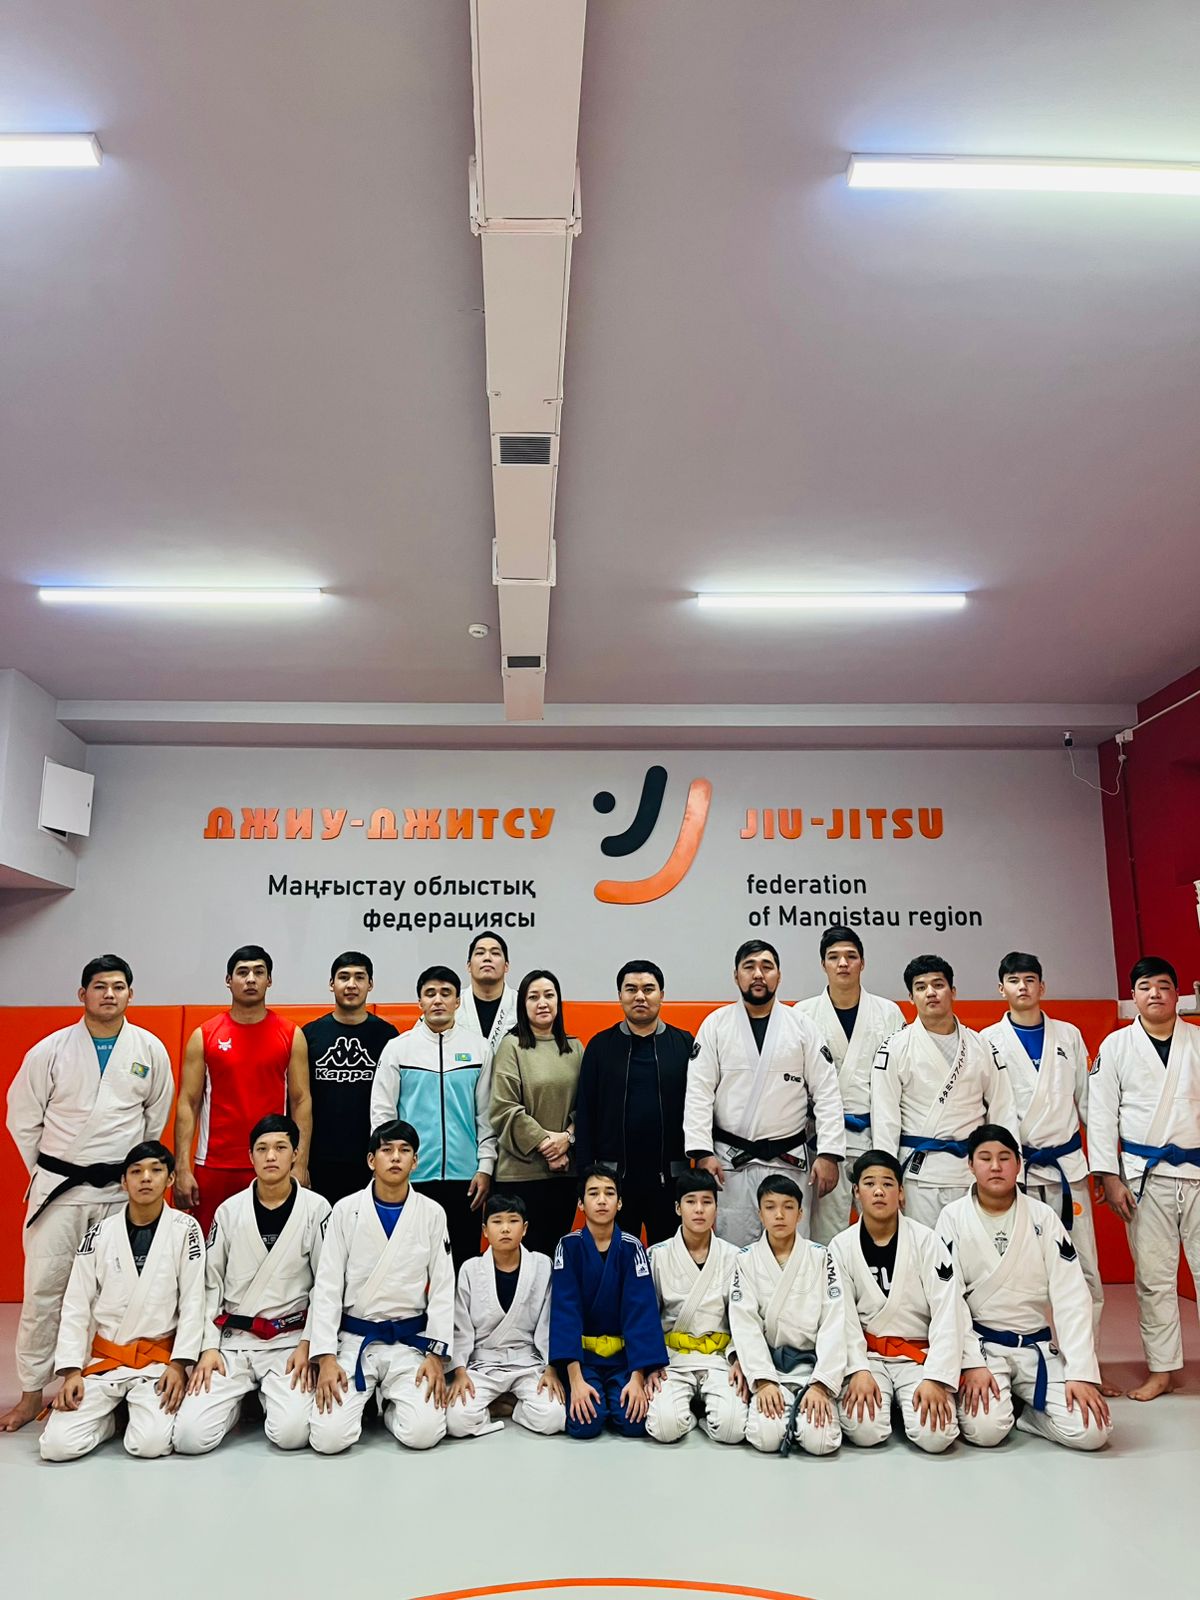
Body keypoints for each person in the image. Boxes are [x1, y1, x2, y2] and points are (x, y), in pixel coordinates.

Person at [3, 955, 174, 1433]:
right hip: (61, 1190)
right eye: (100, 986)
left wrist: (134, 1177)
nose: (109, 994)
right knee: (44, 1291)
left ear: (131, 994)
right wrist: (52, 1169)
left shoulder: (149, 1049)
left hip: (120, 1192)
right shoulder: (50, 1051)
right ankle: (31, 1392)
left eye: (118, 986)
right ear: (83, 994)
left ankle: (100, 1383)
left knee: (115, 1293)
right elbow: (22, 1117)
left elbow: (154, 1119)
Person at [944, 1124, 1111, 1451]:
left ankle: (1028, 1417)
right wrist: (971, 1362)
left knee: (1093, 1431)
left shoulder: (1043, 1217)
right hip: (984, 1347)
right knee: (985, 1431)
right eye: (985, 1158)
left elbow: (1071, 1295)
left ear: (1019, 1165)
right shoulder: (953, 1217)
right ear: (970, 1165)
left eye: (1005, 1158)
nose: (995, 1166)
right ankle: (1008, 1403)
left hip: (1036, 1346)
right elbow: (949, 1298)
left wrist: (1080, 1372)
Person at [38, 1141, 206, 1461]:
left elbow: (194, 1301)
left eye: (156, 1170)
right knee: (56, 1446)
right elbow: (76, 1304)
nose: (146, 1178)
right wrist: (72, 1371)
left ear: (170, 1178)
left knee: (149, 1445)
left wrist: (179, 1364)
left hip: (157, 1363)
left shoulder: (186, 1229)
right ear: (123, 1182)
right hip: (106, 1362)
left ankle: (124, 1415)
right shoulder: (99, 1233)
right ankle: (110, 1421)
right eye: (136, 1172)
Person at [173, 1115, 331, 1454]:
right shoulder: (229, 1211)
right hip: (234, 1342)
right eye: (262, 1149)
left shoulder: (316, 1208)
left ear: (295, 1154)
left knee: (291, 1435)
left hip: (289, 1342)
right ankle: (235, 1406)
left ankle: (262, 1399)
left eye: (280, 1148)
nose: (271, 1156)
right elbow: (210, 1284)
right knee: (188, 1437)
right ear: (250, 1156)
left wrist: (309, 1344)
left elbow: (325, 1286)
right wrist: (208, 1347)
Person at [981, 952, 1106, 1352]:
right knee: (1017, 1268)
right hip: (1016, 1172)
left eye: (1030, 979)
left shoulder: (1068, 1035)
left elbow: (1090, 1104)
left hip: (1067, 1168)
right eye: (1014, 980)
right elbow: (984, 1111)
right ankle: (1023, 1354)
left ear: (1042, 987)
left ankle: (1082, 1358)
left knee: (1082, 1267)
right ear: (1001, 989)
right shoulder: (987, 1041)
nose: (1023, 987)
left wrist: (1104, 1167)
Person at [683, 939, 845, 1247]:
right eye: (749, 967)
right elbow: (698, 1093)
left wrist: (828, 1153)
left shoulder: (802, 1026)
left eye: (767, 967)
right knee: (735, 1250)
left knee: (792, 1251)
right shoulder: (715, 1025)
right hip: (731, 1163)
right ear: (736, 976)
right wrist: (702, 1151)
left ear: (779, 976)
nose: (758, 974)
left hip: (789, 1160)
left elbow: (827, 1092)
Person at [1088, 955, 1200, 1402]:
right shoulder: (1116, 1046)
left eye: (1164, 986)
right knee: (1154, 1280)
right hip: (1143, 1176)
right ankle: (1163, 1369)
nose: (1155, 993)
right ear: (1133, 996)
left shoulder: (1198, 1040)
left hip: (1198, 1172)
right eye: (1145, 987)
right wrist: (1109, 1175)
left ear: (1178, 995)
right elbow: (1101, 1115)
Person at [307, 1119, 454, 1454]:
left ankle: (389, 1408)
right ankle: (362, 1405)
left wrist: (436, 1354)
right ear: (371, 1160)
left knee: (424, 1433)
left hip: (409, 1342)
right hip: (354, 1340)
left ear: (415, 1161)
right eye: (387, 1150)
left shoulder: (432, 1213)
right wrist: (326, 1357)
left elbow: (443, 1288)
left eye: (405, 1151)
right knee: (328, 1439)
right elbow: (327, 1286)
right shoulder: (345, 1210)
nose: (396, 1157)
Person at [830, 1151, 965, 1453]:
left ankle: (905, 1402)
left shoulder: (926, 1241)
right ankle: (892, 1404)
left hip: (918, 1358)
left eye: (888, 1184)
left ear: (901, 1193)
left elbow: (948, 1310)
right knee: (865, 1431)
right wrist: (858, 1369)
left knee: (936, 1437)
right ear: (856, 1192)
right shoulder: (841, 1246)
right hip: (869, 1357)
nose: (879, 1191)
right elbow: (842, 1316)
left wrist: (936, 1377)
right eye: (869, 1183)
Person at [174, 945, 312, 1237]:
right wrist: (182, 1168)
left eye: (259, 972)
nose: (251, 979)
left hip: (273, 1162)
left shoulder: (291, 1034)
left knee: (272, 1248)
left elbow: (301, 1101)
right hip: (215, 1164)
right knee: (211, 1250)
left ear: (269, 981)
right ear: (228, 980)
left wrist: (299, 1164)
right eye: (242, 972)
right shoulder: (204, 1036)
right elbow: (188, 1103)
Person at [870, 954, 1016, 1227]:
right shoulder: (894, 1048)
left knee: (974, 1249)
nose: (931, 992)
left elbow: (1002, 1110)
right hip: (918, 1174)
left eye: (938, 985)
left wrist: (1005, 1169)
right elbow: (885, 1120)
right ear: (911, 998)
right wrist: (887, 1178)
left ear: (953, 991)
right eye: (921, 987)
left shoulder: (981, 1046)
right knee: (923, 1250)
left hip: (971, 1172)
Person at [371, 966, 495, 1269]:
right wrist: (390, 1165)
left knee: (463, 1262)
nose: (438, 1000)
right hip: (412, 1176)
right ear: (420, 1002)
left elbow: (487, 1115)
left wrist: (485, 1167)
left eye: (445, 993)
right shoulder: (398, 1049)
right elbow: (383, 1114)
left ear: (457, 1001)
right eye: (430, 993)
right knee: (412, 1264)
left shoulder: (479, 1048)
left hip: (466, 1180)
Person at [796, 928, 905, 1245]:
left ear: (862, 963)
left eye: (851, 956)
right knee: (826, 1234)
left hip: (876, 1137)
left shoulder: (888, 1013)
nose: (843, 963)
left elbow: (900, 1082)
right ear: (823, 965)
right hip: (823, 1141)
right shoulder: (802, 1014)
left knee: (883, 1231)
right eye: (834, 957)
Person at [574, 959, 695, 1246]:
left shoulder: (683, 1044)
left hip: (671, 1179)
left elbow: (700, 1107)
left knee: (668, 1259)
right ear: (620, 996)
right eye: (631, 989)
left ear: (661, 995)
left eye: (648, 989)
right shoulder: (600, 1046)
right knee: (615, 1258)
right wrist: (586, 1176)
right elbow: (585, 1113)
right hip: (614, 1181)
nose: (640, 996)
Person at [727, 1174, 846, 1456]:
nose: (779, 1215)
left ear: (800, 1213)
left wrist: (821, 1384)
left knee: (821, 1443)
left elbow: (835, 1321)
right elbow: (744, 1323)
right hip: (768, 1365)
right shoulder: (745, 1259)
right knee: (766, 1438)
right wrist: (763, 1380)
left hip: (811, 1366)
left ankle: (810, 1401)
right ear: (760, 1214)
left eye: (788, 1207)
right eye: (770, 1207)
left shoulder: (822, 1256)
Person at [549, 1165, 669, 1439]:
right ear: (581, 1204)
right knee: (585, 1425)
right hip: (583, 1359)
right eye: (593, 1193)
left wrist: (637, 1377)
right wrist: (575, 1381)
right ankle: (598, 1400)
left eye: (609, 1193)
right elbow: (565, 1313)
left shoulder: (632, 1247)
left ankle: (612, 1401)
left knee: (634, 1422)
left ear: (620, 1203)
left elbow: (641, 1313)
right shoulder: (567, 1247)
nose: (602, 1200)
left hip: (623, 1359)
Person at [444, 1192, 566, 1437]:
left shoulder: (542, 1265)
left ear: (525, 1228)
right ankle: (496, 1407)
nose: (505, 1229)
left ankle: (513, 1408)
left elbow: (548, 1325)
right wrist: (459, 1371)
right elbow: (461, 1328)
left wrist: (551, 1367)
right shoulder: (470, 1269)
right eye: (497, 1221)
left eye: (513, 1221)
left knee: (554, 1417)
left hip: (528, 1361)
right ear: (485, 1230)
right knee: (457, 1421)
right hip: (483, 1363)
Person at [644, 1171, 748, 1445]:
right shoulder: (657, 1255)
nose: (699, 1209)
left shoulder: (735, 1257)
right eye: (690, 1202)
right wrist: (650, 1364)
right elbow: (646, 1317)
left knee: (732, 1430)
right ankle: (690, 1414)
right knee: (664, 1428)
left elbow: (744, 1317)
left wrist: (740, 1359)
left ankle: (703, 1416)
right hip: (672, 1359)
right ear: (678, 1208)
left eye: (707, 1202)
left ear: (716, 1208)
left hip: (719, 1358)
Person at [490, 970, 583, 1255]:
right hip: (520, 1176)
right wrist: (547, 1145)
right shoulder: (511, 1046)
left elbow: (587, 1105)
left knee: (555, 1259)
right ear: (523, 1005)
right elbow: (504, 1107)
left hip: (564, 1174)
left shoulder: (575, 1047)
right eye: (533, 997)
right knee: (522, 1260)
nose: (542, 1003)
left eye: (549, 995)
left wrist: (567, 1139)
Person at [303, 951, 399, 1205]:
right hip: (320, 1158)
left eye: (359, 977)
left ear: (370, 984)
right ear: (331, 983)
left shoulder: (388, 1036)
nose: (351, 984)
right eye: (344, 977)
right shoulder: (310, 1035)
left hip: (369, 1157)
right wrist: (300, 1160)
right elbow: (300, 1100)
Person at [457, 931, 519, 1053]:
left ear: (506, 966)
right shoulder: (451, 1004)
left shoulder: (523, 1003)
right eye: (480, 953)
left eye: (495, 953)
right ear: (469, 966)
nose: (487, 958)